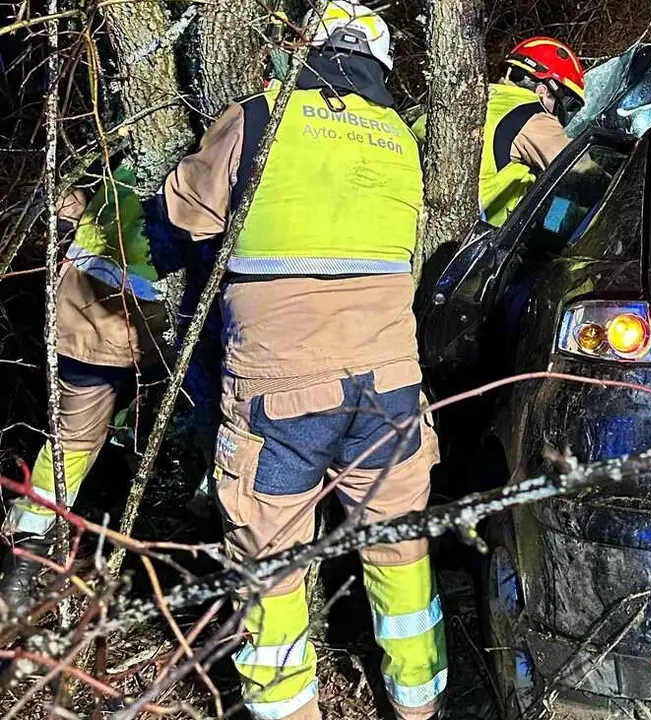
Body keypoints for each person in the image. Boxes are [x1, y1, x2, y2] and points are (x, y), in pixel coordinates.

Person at [144, 3, 445, 718]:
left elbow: (182, 213)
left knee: (271, 569)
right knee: (400, 551)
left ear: (302, 50)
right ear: (380, 67)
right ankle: (420, 705)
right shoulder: (401, 135)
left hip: (280, 394)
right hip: (391, 385)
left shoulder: (259, 116)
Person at [1, 165, 169, 603]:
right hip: (161, 324)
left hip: (84, 314)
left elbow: (67, 196)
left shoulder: (126, 131)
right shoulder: (233, 133)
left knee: (73, 441)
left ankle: (23, 568)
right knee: (176, 427)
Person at [476, 37, 586, 226]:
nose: (559, 117)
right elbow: (579, 170)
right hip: (478, 237)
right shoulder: (529, 114)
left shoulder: (468, 101)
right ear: (544, 90)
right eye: (564, 105)